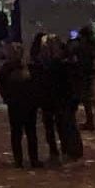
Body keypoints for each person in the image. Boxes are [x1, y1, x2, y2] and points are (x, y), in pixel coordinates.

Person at [0, 44, 42, 168]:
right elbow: (2, 86)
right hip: (20, 103)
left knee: (24, 132)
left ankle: (27, 159)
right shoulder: (10, 68)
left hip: (23, 104)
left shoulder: (12, 68)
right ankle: (24, 159)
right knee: (22, 132)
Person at [51, 35, 85, 159]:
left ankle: (73, 150)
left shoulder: (64, 65)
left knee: (68, 124)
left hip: (66, 98)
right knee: (67, 124)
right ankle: (71, 149)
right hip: (67, 98)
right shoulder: (69, 63)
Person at [30, 34, 62, 163]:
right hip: (53, 97)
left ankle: (55, 150)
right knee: (56, 124)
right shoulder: (57, 63)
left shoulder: (39, 64)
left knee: (51, 125)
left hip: (48, 97)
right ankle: (58, 150)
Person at [73, 27, 95, 130]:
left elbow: (76, 53)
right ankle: (90, 121)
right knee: (86, 98)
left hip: (83, 73)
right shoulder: (92, 45)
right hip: (88, 72)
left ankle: (89, 122)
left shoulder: (83, 46)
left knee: (84, 98)